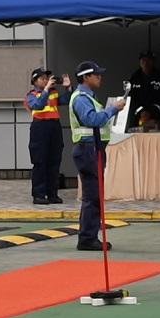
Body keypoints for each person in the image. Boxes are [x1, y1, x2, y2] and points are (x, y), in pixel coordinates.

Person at [64, 64, 120, 248]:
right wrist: (113, 109)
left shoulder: (88, 97)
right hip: (88, 149)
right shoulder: (81, 98)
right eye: (96, 75)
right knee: (93, 196)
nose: (99, 78)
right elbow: (91, 120)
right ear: (86, 77)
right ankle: (88, 239)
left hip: (93, 149)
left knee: (94, 195)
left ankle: (88, 236)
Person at [25, 70, 67, 207]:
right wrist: (46, 89)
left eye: (47, 78)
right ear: (35, 81)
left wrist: (68, 88)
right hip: (39, 128)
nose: (45, 80)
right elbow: (38, 105)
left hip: (54, 126)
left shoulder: (53, 92)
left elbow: (66, 100)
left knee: (54, 161)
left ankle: (52, 194)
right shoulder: (31, 95)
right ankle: (39, 194)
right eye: (42, 79)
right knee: (40, 161)